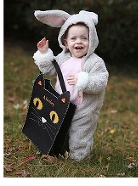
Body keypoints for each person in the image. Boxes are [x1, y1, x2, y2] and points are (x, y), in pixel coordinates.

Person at [33, 9, 109, 161]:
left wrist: (84, 81)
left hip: (84, 109)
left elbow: (101, 81)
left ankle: (79, 157)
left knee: (80, 132)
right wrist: (43, 53)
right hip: (61, 105)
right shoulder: (63, 58)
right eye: (74, 38)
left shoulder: (95, 62)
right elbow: (49, 69)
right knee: (58, 129)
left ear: (92, 40)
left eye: (84, 38)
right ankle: (58, 148)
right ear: (66, 42)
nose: (79, 42)